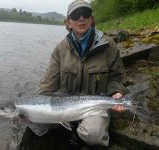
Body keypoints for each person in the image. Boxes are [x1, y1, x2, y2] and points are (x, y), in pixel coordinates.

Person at [20, 0, 127, 149]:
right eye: (76, 15)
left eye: (86, 14)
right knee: (31, 121)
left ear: (92, 19)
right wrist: (33, 104)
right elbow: (49, 82)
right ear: (68, 23)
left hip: (93, 107)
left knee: (94, 135)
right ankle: (68, 129)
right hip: (64, 104)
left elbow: (117, 76)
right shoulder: (60, 49)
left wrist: (116, 92)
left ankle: (76, 135)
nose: (81, 18)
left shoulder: (109, 46)